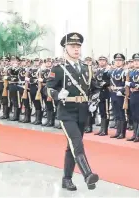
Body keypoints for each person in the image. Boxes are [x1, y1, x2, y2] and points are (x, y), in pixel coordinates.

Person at [46, 32, 101, 191]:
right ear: (65, 48)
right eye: (72, 46)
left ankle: (66, 179)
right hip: (66, 112)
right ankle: (88, 174)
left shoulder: (87, 68)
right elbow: (47, 88)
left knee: (72, 147)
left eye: (78, 46)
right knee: (76, 142)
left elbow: (95, 87)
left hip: (83, 111)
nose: (76, 49)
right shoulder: (59, 69)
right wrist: (57, 94)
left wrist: (94, 100)